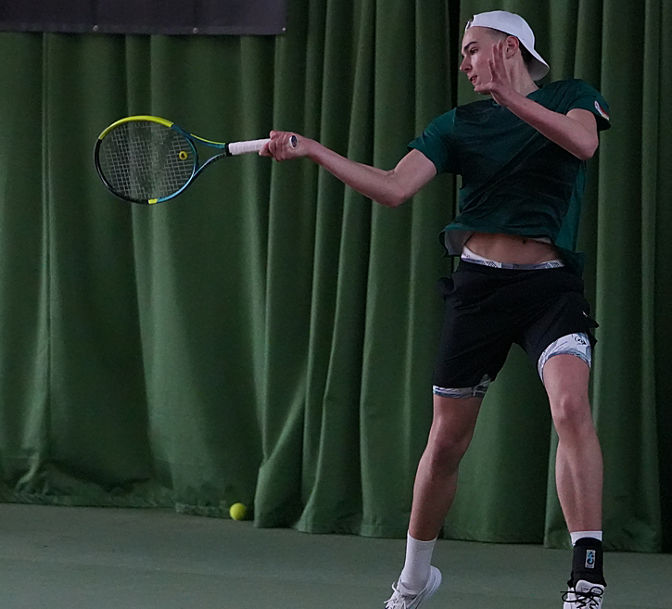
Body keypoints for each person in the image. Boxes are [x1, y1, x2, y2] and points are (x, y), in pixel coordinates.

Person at [260, 9, 612, 609]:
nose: (464, 62)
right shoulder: (456, 124)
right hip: (477, 289)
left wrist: (510, 98)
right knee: (446, 442)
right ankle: (414, 579)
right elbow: (396, 189)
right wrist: (315, 150)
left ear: (508, 48)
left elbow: (581, 143)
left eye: (473, 50)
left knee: (570, 403)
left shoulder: (572, 98)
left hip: (550, 288)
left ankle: (586, 576)